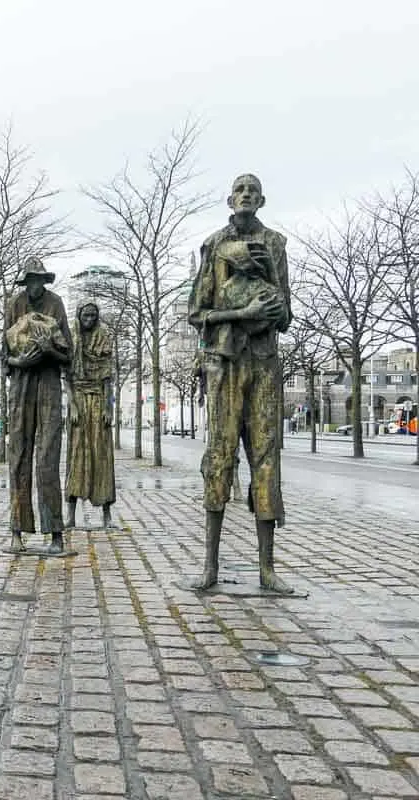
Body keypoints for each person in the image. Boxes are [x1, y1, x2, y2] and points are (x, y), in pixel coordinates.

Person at [187, 173, 293, 594]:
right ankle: (210, 565)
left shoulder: (276, 244)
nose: (246, 195)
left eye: (253, 190)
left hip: (264, 364)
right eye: (240, 190)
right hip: (225, 364)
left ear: (261, 200)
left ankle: (267, 569)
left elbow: (285, 315)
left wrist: (267, 299)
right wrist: (240, 314)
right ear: (229, 199)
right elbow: (198, 312)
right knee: (220, 456)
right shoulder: (214, 245)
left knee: (267, 459)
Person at [1, 257, 73, 553]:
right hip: (21, 385)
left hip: (48, 385)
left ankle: (55, 532)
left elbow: (69, 355)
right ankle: (17, 530)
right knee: (18, 455)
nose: (34, 285)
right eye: (29, 279)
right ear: (25, 281)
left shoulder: (56, 304)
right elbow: (4, 353)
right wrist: (18, 361)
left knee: (47, 457)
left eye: (38, 280)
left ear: (44, 281)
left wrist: (49, 352)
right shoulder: (15, 303)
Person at [65, 302, 116, 529]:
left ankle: (107, 515)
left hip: (97, 400)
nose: (89, 318)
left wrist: (108, 408)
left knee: (102, 455)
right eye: (86, 315)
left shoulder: (103, 337)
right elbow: (67, 378)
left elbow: (108, 379)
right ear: (79, 315)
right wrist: (73, 406)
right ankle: (70, 516)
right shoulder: (71, 337)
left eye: (93, 315)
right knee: (76, 456)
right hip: (78, 401)